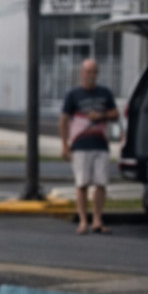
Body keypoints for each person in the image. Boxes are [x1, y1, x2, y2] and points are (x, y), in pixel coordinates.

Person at [59, 58, 119, 235]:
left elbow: (115, 114)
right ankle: (83, 220)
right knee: (82, 183)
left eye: (94, 72)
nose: (91, 75)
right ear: (82, 73)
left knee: (101, 183)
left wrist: (100, 115)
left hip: (100, 144)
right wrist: (64, 144)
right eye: (88, 72)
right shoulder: (73, 95)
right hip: (80, 144)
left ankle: (97, 220)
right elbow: (64, 120)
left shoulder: (105, 93)